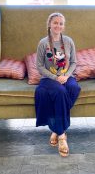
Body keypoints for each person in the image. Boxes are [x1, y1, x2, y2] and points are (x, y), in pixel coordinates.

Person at [35, 12, 81, 157]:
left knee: (74, 88)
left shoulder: (68, 41)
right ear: (49, 24)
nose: (58, 26)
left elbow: (74, 62)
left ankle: (55, 129)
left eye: (61, 23)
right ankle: (62, 136)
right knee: (60, 92)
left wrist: (67, 75)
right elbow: (39, 66)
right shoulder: (43, 43)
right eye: (55, 23)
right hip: (49, 79)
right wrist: (56, 77)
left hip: (67, 76)